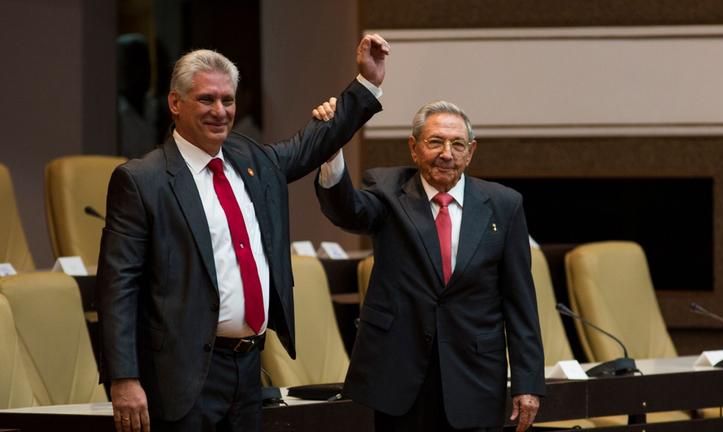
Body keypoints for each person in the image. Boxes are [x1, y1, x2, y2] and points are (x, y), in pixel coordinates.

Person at [96, 34, 389, 432]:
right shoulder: (142, 180)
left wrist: (367, 82)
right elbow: (118, 287)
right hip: (181, 376)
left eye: (228, 100)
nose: (220, 111)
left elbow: (310, 143)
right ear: (175, 103)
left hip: (248, 368)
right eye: (206, 99)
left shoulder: (249, 158)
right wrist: (124, 378)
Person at [315, 100, 545, 431]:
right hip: (400, 375)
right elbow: (347, 210)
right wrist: (331, 149)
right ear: (414, 147)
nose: (446, 154)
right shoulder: (387, 190)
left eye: (457, 144)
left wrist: (528, 382)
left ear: (471, 152)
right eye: (435, 142)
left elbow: (519, 300)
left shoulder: (504, 204)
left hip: (474, 374)